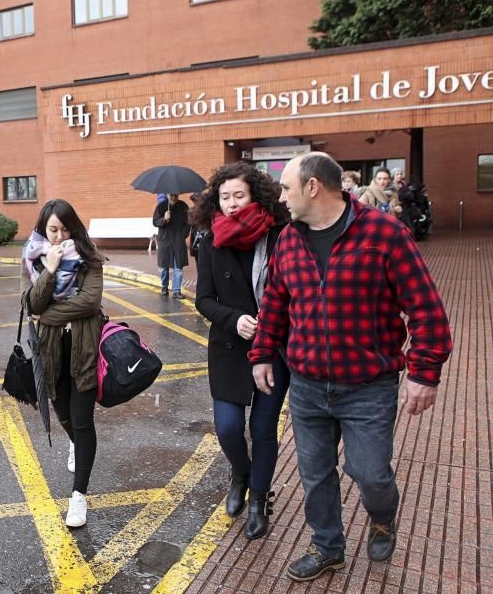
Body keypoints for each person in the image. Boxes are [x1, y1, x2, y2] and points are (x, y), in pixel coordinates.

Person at [250, 153, 452, 582]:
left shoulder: (384, 234)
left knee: (370, 473)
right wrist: (263, 353)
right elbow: (275, 305)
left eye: (286, 187)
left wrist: (423, 373)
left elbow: (426, 310)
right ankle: (328, 546)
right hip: (306, 386)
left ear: (312, 187)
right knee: (315, 473)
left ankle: (382, 518)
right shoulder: (288, 239)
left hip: (368, 387)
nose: (281, 196)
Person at [192, 162, 290, 540]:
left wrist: (270, 321)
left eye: (239, 196)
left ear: (255, 196)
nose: (231, 204)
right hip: (230, 347)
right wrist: (234, 319)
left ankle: (259, 499)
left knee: (263, 428)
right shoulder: (211, 240)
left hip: (273, 348)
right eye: (224, 197)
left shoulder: (279, 236)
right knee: (228, 428)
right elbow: (203, 299)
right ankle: (241, 473)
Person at [21, 199, 106, 529]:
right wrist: (51, 269)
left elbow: (90, 301)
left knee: (83, 422)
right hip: (50, 351)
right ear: (43, 229)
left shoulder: (89, 256)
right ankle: (74, 441)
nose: (58, 237)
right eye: (52, 229)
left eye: (65, 228)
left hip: (84, 347)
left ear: (75, 227)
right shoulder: (32, 256)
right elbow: (31, 302)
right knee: (64, 415)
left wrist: (48, 316)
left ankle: (78, 497)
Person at [152, 192, 190, 298]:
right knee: (164, 268)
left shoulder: (183, 206)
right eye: (171, 195)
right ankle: (164, 286)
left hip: (178, 241)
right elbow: (155, 222)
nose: (174, 197)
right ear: (168, 194)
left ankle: (176, 291)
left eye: (176, 195)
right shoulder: (161, 206)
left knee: (178, 268)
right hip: (165, 241)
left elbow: (188, 222)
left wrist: (183, 235)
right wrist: (164, 219)